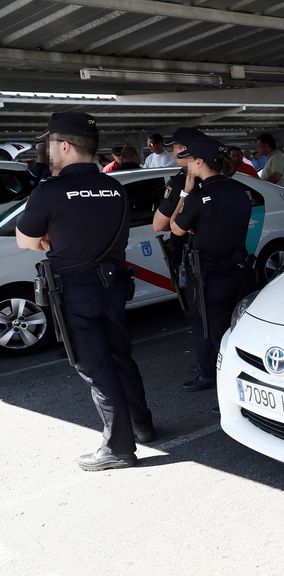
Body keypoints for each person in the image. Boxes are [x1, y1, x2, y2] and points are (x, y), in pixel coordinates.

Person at [15, 112, 155, 471]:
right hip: (113, 286)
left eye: (49, 144)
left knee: (95, 367)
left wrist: (52, 240)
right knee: (121, 357)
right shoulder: (116, 188)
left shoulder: (50, 191)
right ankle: (142, 426)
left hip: (75, 292)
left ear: (63, 146)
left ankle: (118, 446)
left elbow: (25, 239)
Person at [171, 135, 252, 392]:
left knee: (216, 335)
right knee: (237, 331)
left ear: (199, 161)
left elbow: (174, 227)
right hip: (240, 272)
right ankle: (221, 378)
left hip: (209, 277)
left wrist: (185, 192)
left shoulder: (198, 196)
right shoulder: (241, 191)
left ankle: (232, 393)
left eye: (190, 160)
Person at [153, 127, 205, 232]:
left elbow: (159, 225)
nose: (173, 153)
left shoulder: (181, 182)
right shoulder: (218, 176)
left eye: (174, 148)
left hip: (195, 245)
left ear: (184, 149)